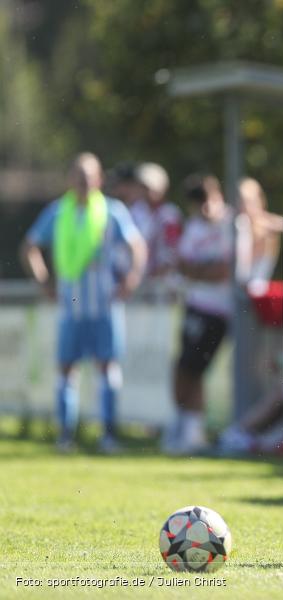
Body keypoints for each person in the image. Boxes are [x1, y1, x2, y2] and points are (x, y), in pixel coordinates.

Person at [21, 152, 147, 452]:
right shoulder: (57, 212)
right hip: (71, 305)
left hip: (104, 304)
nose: (83, 182)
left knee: (108, 367)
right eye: (78, 176)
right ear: (69, 179)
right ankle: (66, 435)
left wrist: (131, 279)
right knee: (66, 370)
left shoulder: (112, 211)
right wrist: (43, 281)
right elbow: (30, 246)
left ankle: (108, 435)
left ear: (99, 179)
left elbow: (137, 245)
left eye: (89, 177)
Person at [164, 174, 234, 455]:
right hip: (194, 306)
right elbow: (182, 265)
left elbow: (223, 271)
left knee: (195, 369)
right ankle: (187, 428)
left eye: (210, 200)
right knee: (184, 368)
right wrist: (203, 272)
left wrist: (198, 272)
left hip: (219, 311)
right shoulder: (193, 227)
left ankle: (192, 431)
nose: (206, 208)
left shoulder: (232, 224)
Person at [130, 162, 182, 286]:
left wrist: (164, 268)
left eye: (149, 187)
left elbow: (173, 246)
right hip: (139, 278)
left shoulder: (170, 214)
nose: (147, 192)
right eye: (143, 187)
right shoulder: (135, 211)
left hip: (165, 280)